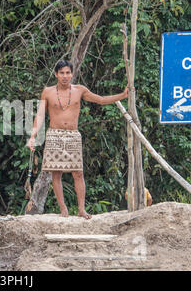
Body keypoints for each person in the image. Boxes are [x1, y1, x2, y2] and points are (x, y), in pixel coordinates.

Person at [27, 60, 128, 219]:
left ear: (72, 74)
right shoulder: (47, 92)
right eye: (62, 73)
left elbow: (100, 99)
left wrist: (122, 95)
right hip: (54, 134)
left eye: (68, 73)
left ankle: (81, 209)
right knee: (56, 173)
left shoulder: (79, 90)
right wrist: (33, 136)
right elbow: (40, 115)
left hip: (73, 135)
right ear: (56, 74)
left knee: (78, 173)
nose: (65, 76)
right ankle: (63, 209)